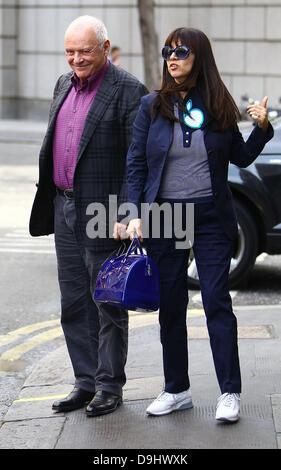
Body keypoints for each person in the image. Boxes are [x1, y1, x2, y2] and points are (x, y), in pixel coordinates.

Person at [126, 27, 273, 422]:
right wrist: (133, 212)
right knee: (170, 307)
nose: (172, 58)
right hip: (165, 216)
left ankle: (229, 393)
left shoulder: (217, 102)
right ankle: (176, 389)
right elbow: (136, 165)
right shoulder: (151, 106)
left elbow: (240, 157)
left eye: (182, 51)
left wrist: (262, 129)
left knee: (216, 302)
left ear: (200, 56)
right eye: (167, 52)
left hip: (210, 215)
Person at [29, 15, 147, 417]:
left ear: (105, 47)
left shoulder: (129, 90)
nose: (75, 59)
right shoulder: (63, 84)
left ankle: (109, 387)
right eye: (69, 52)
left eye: (84, 51)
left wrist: (129, 212)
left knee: (107, 302)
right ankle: (85, 381)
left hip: (104, 212)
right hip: (64, 205)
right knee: (74, 302)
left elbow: (139, 160)